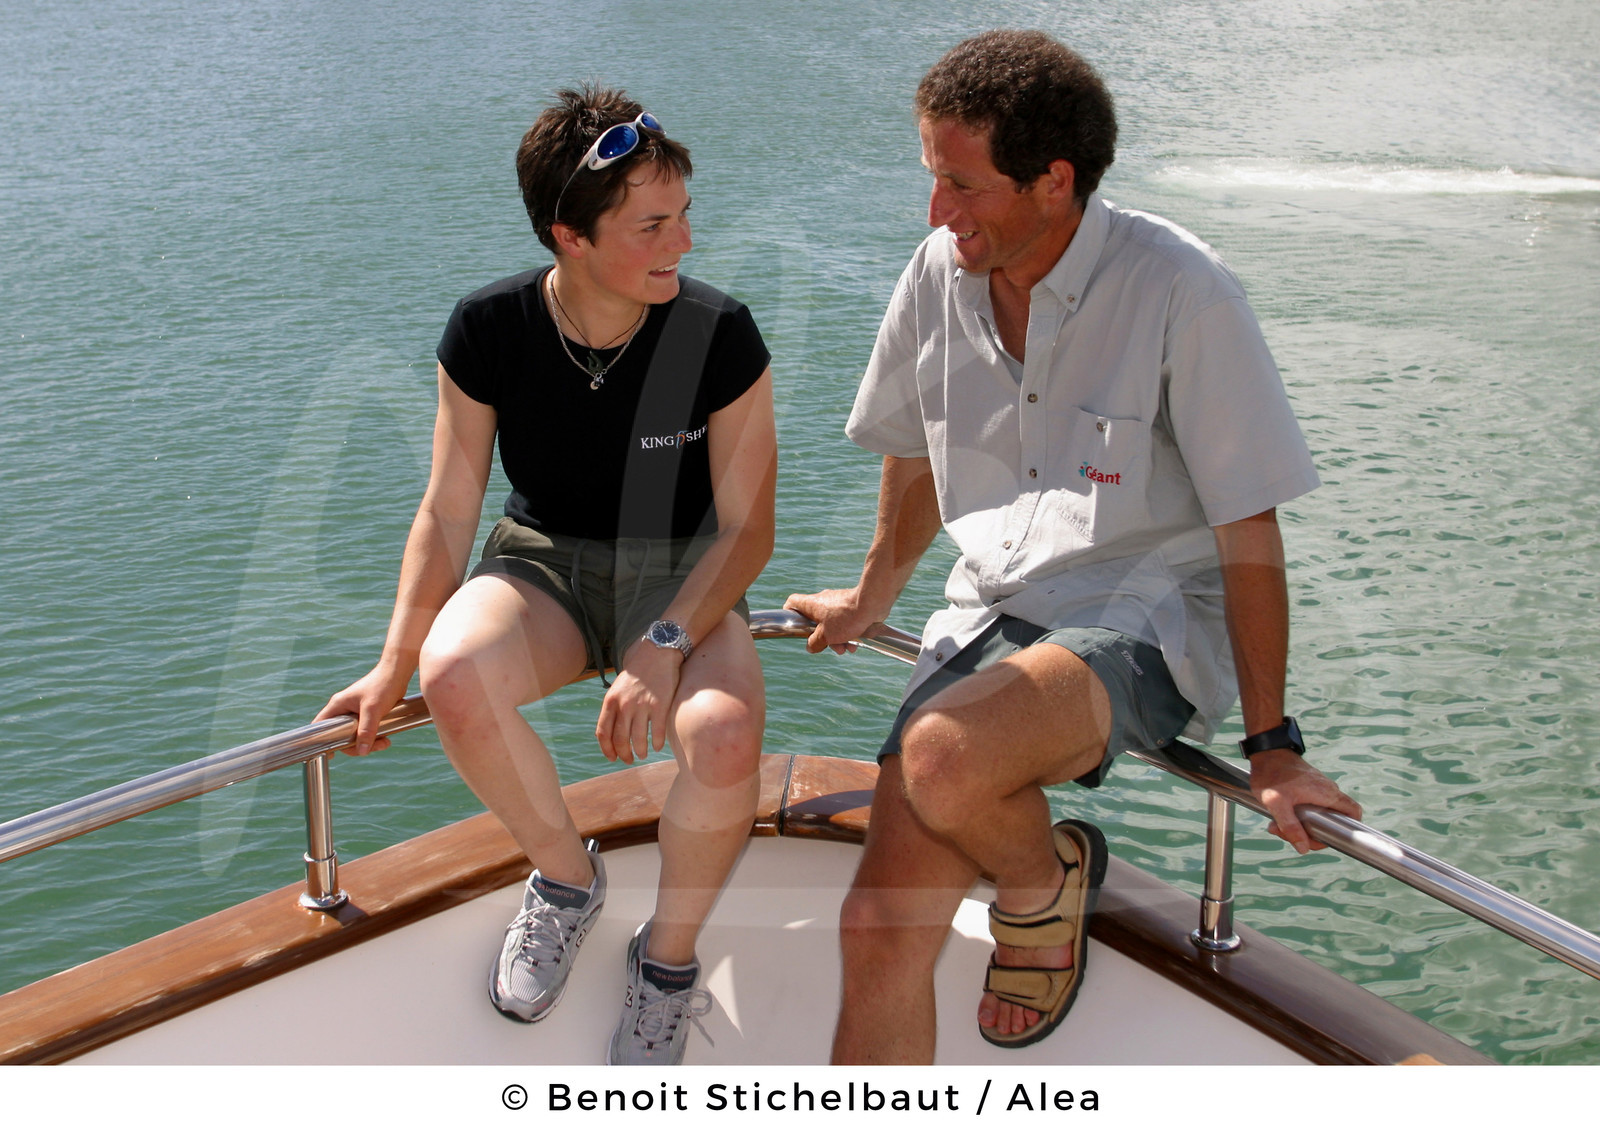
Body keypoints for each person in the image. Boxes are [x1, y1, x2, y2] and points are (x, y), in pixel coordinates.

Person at [786, 30, 1362, 1064]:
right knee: (875, 930)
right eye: (931, 177)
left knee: (944, 754)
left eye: (963, 185)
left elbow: (1248, 525)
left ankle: (1038, 884)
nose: (936, 211)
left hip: (1143, 616)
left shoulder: (1182, 289)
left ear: (1054, 181)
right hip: (989, 608)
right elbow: (915, 451)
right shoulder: (937, 271)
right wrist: (873, 596)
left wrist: (1272, 747)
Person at [319, 85, 777, 1066]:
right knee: (453, 676)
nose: (685, 241)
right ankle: (567, 879)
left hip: (682, 574)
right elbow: (448, 508)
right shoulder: (488, 327)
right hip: (543, 562)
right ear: (570, 235)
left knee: (723, 733)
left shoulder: (719, 331)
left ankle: (666, 963)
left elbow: (748, 531)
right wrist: (395, 660)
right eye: (652, 225)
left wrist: (664, 643)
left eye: (684, 214)